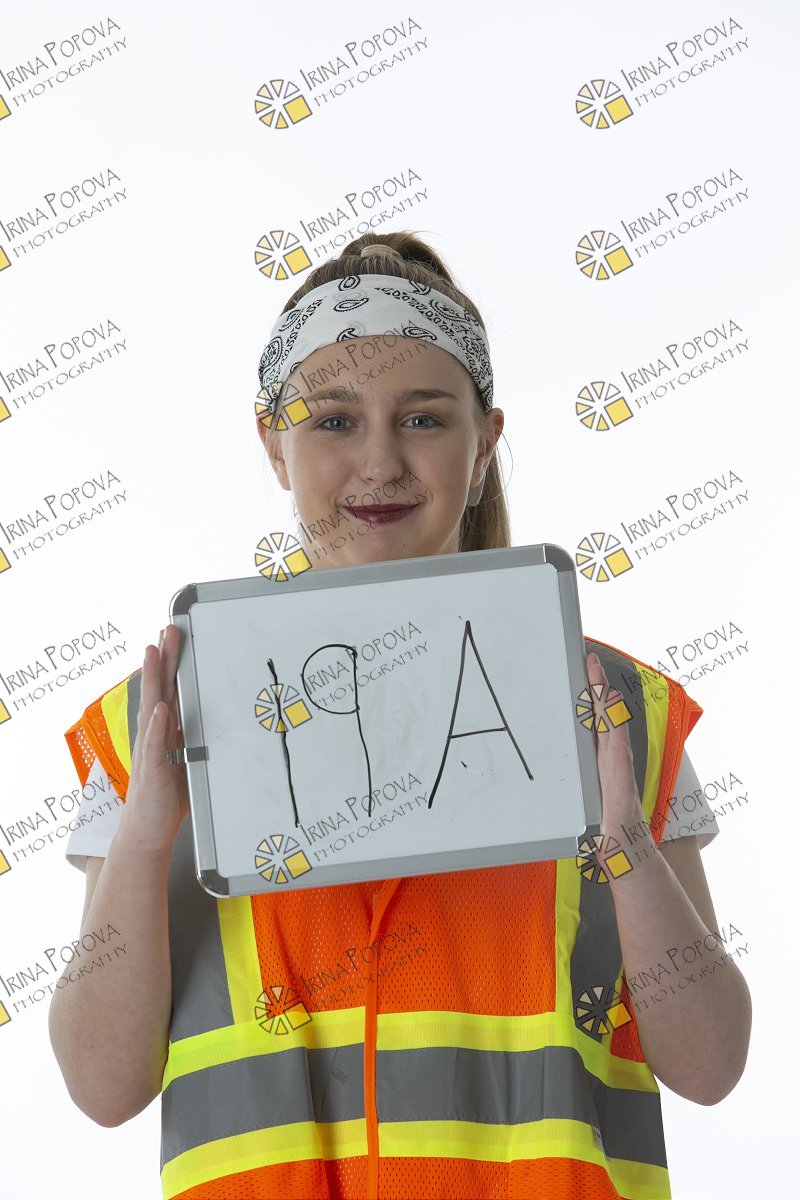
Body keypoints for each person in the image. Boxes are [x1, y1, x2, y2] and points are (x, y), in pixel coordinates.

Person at [49, 232, 751, 1200]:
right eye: (334, 420)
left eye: (422, 419)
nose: (378, 461)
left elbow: (711, 1068)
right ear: (273, 442)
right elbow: (101, 1087)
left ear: (484, 442)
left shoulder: (615, 706)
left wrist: (624, 845)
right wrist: (144, 843)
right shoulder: (153, 719)